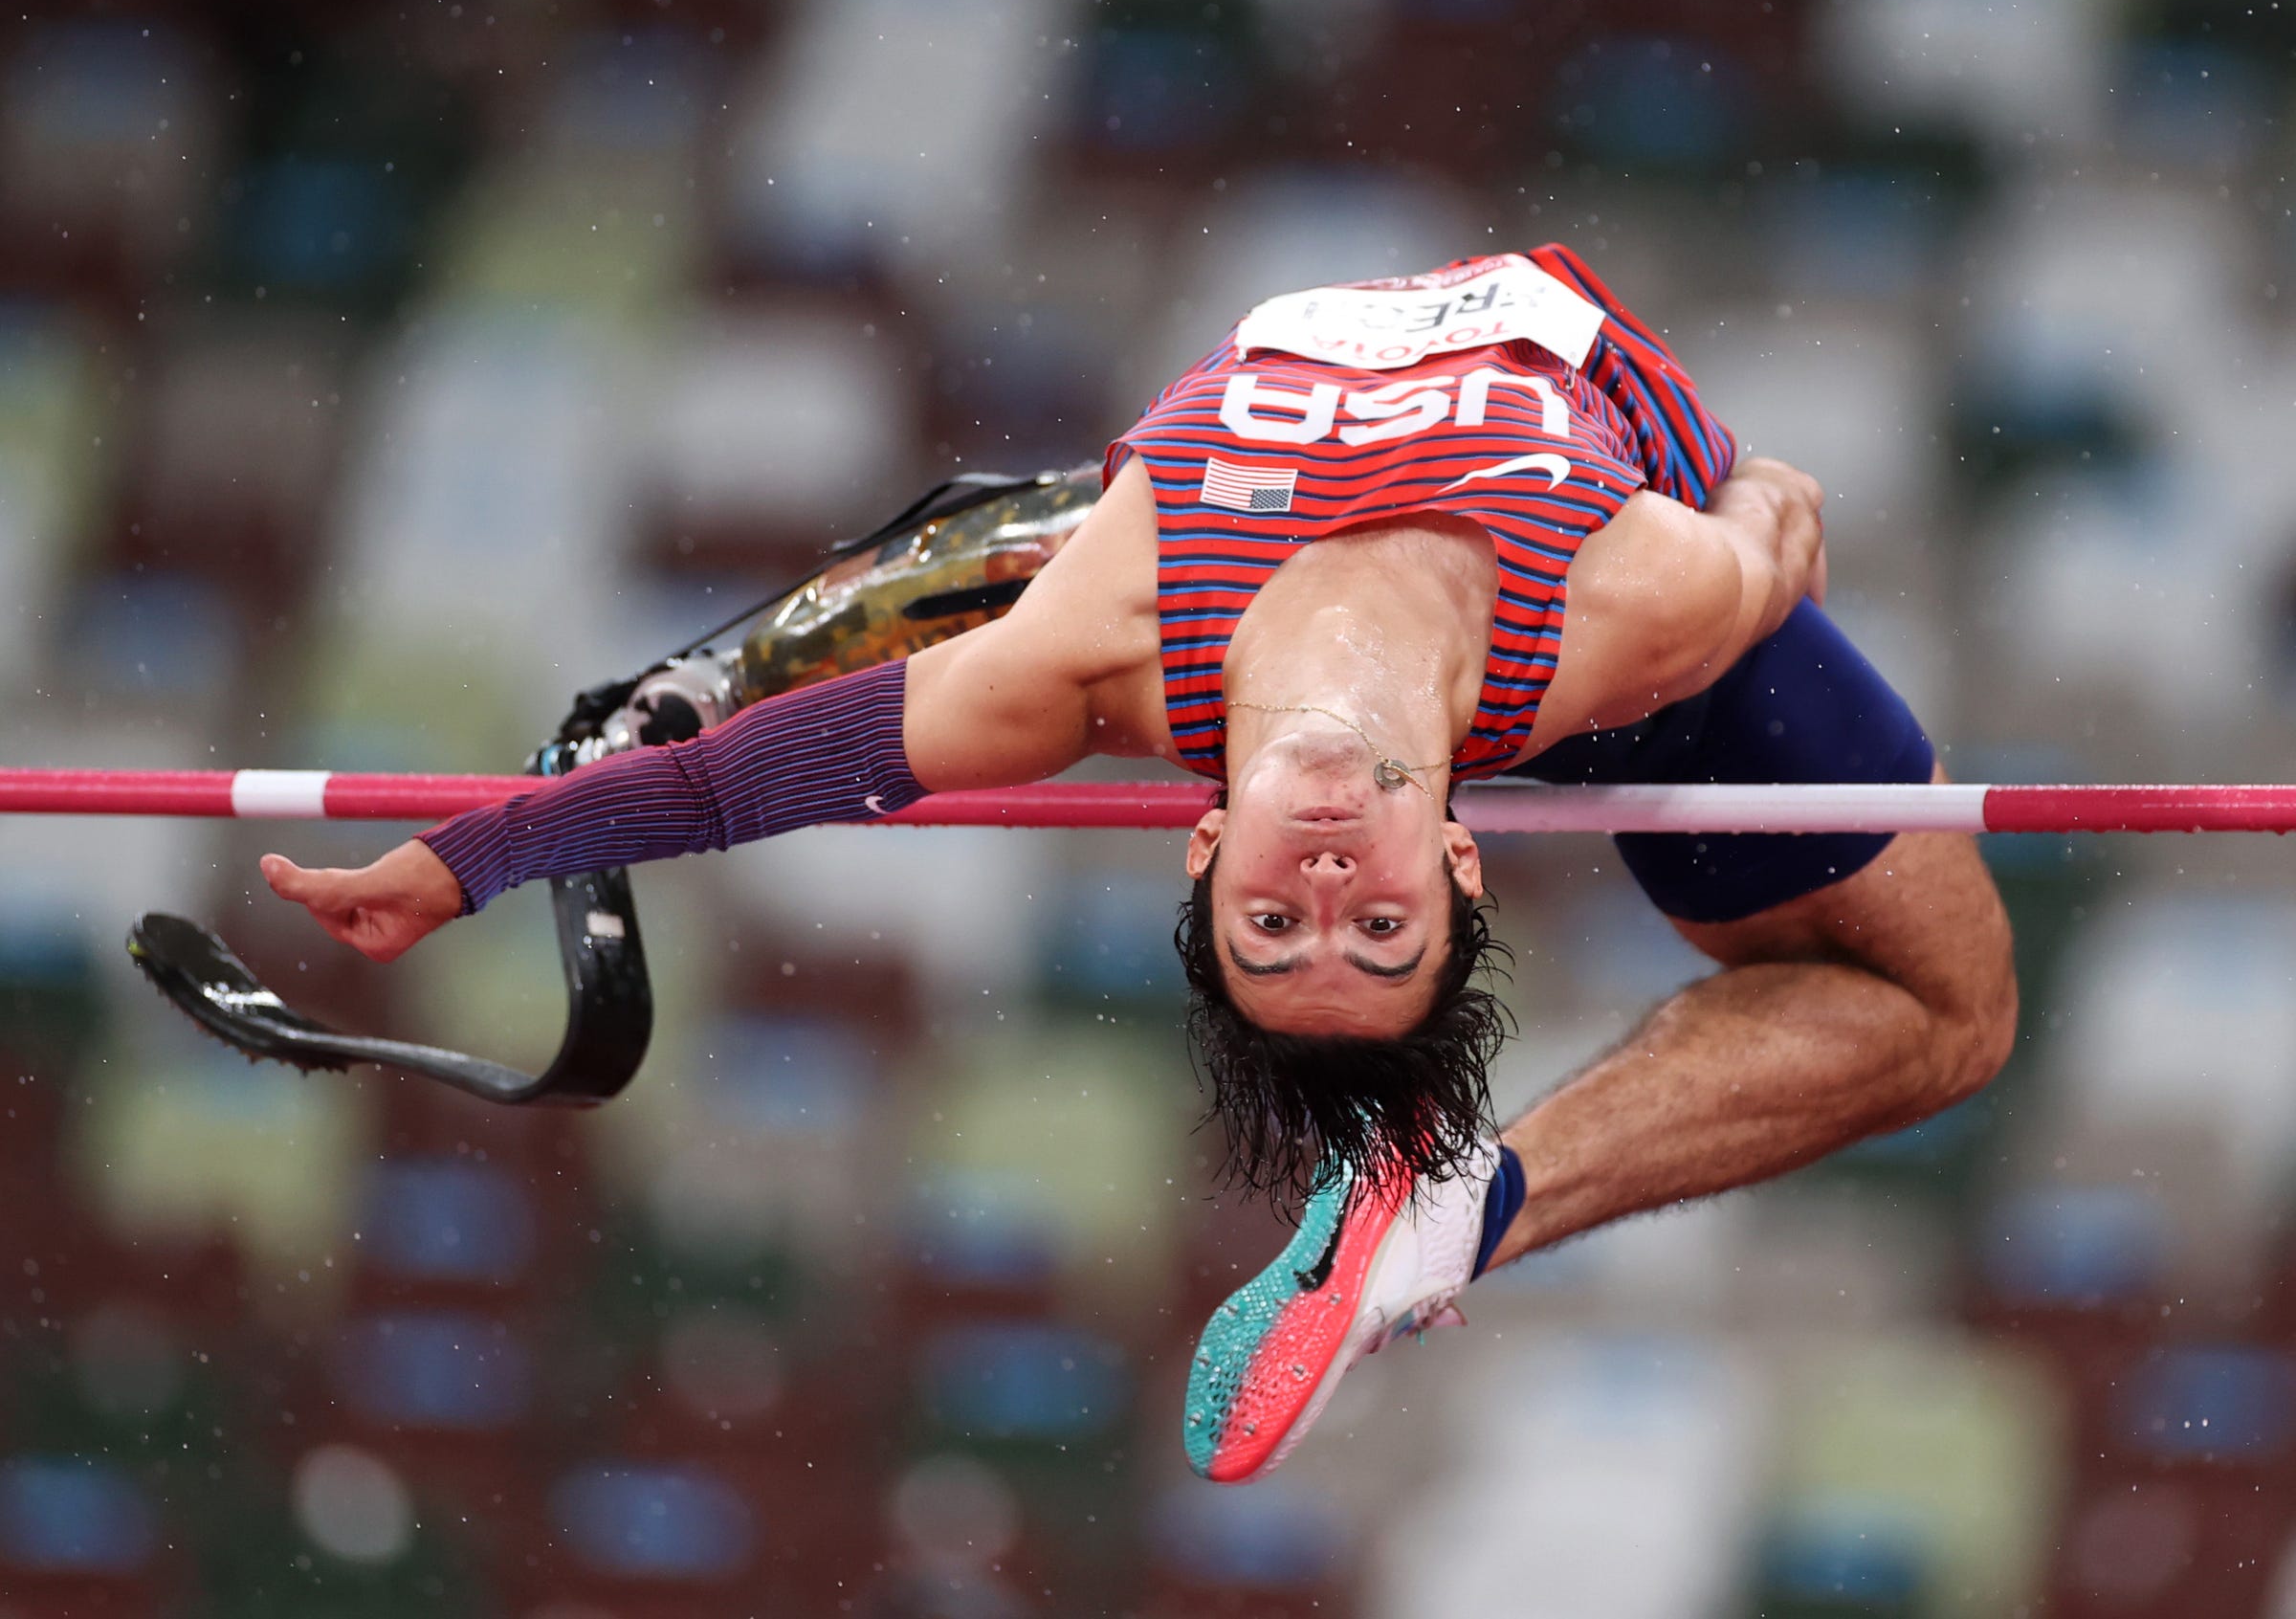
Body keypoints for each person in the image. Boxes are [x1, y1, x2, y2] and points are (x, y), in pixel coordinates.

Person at [258, 243, 2015, 1484]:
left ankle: (1433, 1206)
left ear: (1205, 843)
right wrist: (1766, 502)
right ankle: (1461, 1207)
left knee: (1023, 581)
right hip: (1596, 583)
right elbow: (1769, 538)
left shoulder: (1095, 656)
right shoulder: (1649, 611)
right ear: (1464, 866)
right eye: (1375, 917)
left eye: (1275, 915)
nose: (1327, 866)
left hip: (1220, 544)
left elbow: (738, 789)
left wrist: (468, 860)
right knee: (1952, 1009)